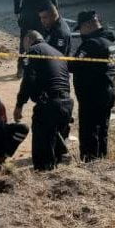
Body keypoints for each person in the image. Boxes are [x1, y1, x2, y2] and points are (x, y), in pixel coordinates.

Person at [14, 31, 73, 171]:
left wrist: (19, 105)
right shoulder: (58, 53)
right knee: (56, 149)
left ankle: (43, 179)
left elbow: (28, 80)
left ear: (28, 39)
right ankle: (55, 177)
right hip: (66, 103)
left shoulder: (34, 51)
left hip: (49, 105)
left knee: (43, 152)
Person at [68, 11, 115, 161]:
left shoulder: (92, 44)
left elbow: (73, 65)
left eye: (81, 28)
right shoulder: (110, 40)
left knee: (89, 131)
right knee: (102, 129)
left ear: (88, 25)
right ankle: (101, 160)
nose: (81, 33)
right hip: (108, 90)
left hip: (93, 95)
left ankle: (89, 163)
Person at [14, 0, 58, 74]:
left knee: (24, 41)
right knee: (39, 42)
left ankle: (20, 68)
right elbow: (54, 3)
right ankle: (36, 68)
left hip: (26, 16)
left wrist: (17, 11)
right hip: (41, 17)